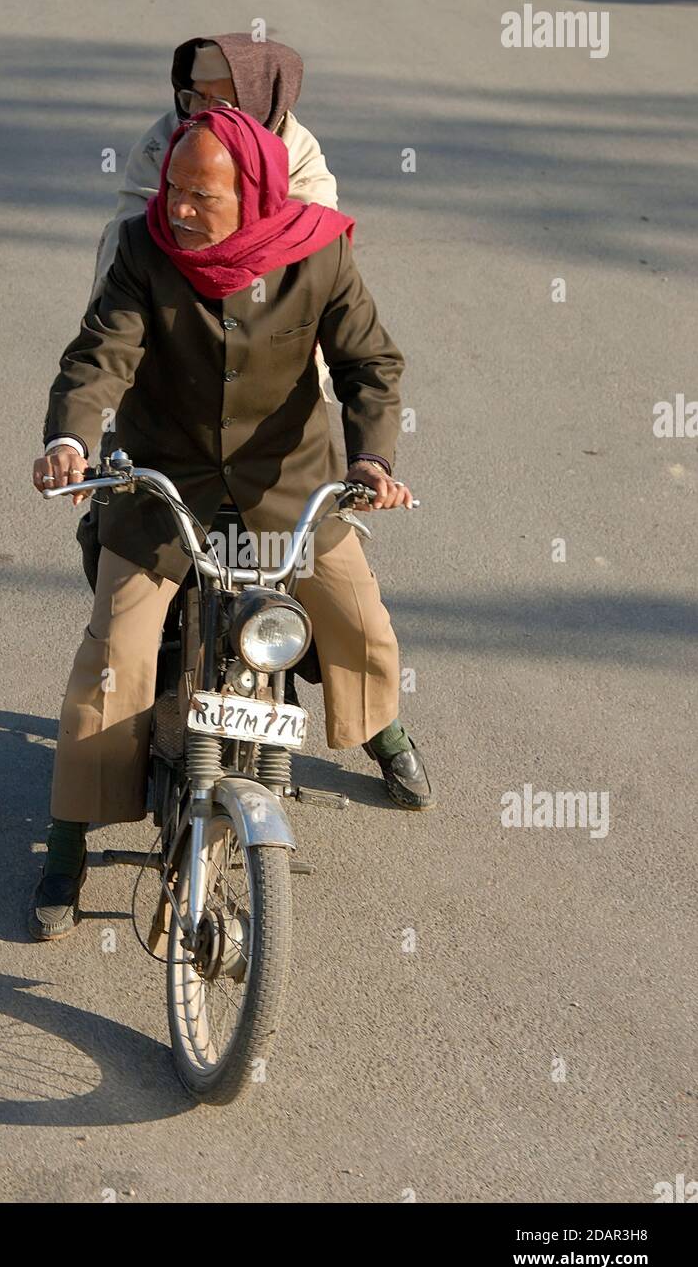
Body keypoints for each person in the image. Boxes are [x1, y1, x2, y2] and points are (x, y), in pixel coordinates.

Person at [30, 108, 435, 943]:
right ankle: (66, 843)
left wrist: (373, 463)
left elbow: (369, 364)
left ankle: (381, 731)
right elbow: (100, 354)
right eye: (172, 188)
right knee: (113, 660)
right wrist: (72, 440)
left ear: (255, 192)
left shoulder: (317, 250)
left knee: (357, 619)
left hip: (288, 480)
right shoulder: (145, 250)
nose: (176, 208)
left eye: (199, 196)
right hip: (160, 485)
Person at [89, 32, 337, 302]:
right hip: (172, 292)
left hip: (267, 301)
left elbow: (312, 235)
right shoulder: (162, 140)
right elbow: (132, 228)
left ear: (260, 102)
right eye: (197, 96)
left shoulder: (296, 149)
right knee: (124, 238)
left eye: (221, 102)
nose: (204, 112)